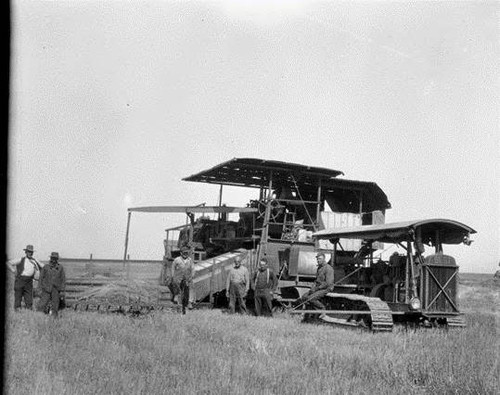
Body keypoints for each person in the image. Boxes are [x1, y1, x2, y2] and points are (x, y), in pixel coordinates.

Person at [296, 252, 334, 319]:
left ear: (324, 259)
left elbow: (328, 283)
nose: (318, 260)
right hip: (318, 287)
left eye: (320, 259)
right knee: (304, 297)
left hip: (326, 288)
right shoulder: (319, 268)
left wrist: (317, 288)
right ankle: (308, 316)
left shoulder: (328, 268)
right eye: (317, 259)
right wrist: (312, 288)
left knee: (311, 298)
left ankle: (322, 310)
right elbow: (316, 280)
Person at [6, 244, 43, 310]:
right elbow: (8, 263)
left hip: (29, 281)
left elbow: (44, 267)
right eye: (28, 251)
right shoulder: (21, 259)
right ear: (26, 252)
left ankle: (29, 309)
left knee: (29, 297)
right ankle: (17, 309)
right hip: (20, 280)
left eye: (31, 252)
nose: (30, 253)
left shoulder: (34, 261)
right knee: (18, 295)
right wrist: (13, 270)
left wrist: (37, 261)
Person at [38, 252, 66, 318]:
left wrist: (62, 290)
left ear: (57, 259)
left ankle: (54, 318)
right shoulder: (46, 267)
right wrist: (39, 288)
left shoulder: (60, 268)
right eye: (52, 258)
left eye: (55, 258)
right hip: (46, 288)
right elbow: (41, 278)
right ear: (50, 258)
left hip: (56, 289)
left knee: (55, 305)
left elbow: (63, 279)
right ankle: (39, 317)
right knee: (42, 304)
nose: (53, 260)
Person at [172, 246, 195, 314]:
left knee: (191, 287)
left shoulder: (190, 260)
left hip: (187, 277)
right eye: (184, 253)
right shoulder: (177, 260)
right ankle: (176, 297)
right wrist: (173, 276)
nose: (186, 254)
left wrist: (192, 276)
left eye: (187, 253)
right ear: (181, 253)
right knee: (176, 285)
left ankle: (190, 302)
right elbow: (173, 268)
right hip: (178, 277)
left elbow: (193, 269)